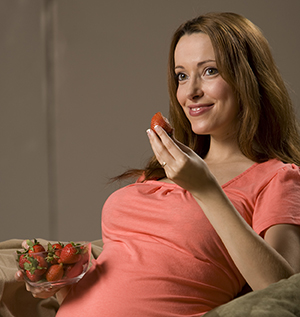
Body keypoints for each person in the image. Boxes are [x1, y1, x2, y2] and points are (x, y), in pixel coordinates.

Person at [16, 12, 300, 316]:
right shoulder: (164, 170)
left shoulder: (277, 177)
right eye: (182, 75)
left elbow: (282, 289)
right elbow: (135, 279)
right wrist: (63, 285)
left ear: (248, 76)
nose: (190, 92)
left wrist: (206, 190)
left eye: (210, 71)